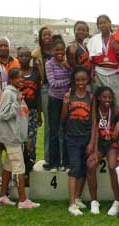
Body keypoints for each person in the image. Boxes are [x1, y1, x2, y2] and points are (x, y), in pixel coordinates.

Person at [0, 68, 40, 209]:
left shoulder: (16, 93)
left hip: (17, 137)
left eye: (23, 78)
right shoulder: (9, 94)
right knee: (19, 168)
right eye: (18, 78)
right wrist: (16, 103)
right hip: (11, 138)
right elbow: (3, 114)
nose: (22, 80)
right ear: (11, 79)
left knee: (8, 166)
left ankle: (3, 196)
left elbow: (22, 117)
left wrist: (26, 138)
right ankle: (23, 200)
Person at [86, 87, 119, 215]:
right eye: (105, 97)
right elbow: (94, 130)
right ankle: (94, 201)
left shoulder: (115, 110)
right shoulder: (95, 111)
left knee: (112, 166)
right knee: (90, 165)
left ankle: (117, 201)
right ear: (99, 98)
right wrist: (94, 150)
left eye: (110, 98)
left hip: (112, 143)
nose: (107, 100)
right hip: (100, 144)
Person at [60, 67, 97, 216]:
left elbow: (94, 121)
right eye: (78, 80)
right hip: (72, 137)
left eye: (83, 80)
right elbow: (63, 119)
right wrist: (65, 103)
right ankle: (71, 204)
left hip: (86, 137)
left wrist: (91, 142)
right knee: (75, 169)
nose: (81, 83)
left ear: (88, 80)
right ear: (74, 81)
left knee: (82, 168)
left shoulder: (91, 97)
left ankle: (77, 197)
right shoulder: (69, 95)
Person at [0, 37, 20, 187]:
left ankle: (14, 176)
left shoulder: (16, 62)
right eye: (0, 45)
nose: (3, 48)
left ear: (9, 47)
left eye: (5, 45)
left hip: (13, 106)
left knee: (12, 142)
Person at [44, 38, 72, 172]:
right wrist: (68, 80)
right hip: (54, 100)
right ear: (52, 51)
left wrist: (68, 69)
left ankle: (66, 162)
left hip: (67, 100)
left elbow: (76, 78)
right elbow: (53, 83)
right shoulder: (49, 64)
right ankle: (54, 163)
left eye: (62, 50)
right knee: (54, 131)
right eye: (56, 50)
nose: (59, 53)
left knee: (66, 130)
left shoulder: (68, 64)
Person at [87, 14, 119, 109]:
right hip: (98, 73)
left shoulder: (117, 38)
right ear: (98, 26)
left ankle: (118, 123)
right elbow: (91, 59)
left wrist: (118, 49)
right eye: (100, 23)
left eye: (104, 22)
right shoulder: (94, 40)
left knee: (118, 101)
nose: (102, 25)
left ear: (110, 23)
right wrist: (92, 70)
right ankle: (99, 122)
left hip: (114, 74)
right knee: (98, 100)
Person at [32, 26, 53, 162]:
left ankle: (62, 156)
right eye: (44, 35)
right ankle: (48, 157)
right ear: (40, 37)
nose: (47, 37)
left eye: (49, 34)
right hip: (46, 89)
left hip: (61, 89)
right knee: (49, 126)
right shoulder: (36, 54)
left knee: (62, 125)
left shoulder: (59, 50)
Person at [19, 47, 42, 161]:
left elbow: (38, 95)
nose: (24, 58)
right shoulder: (15, 73)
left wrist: (39, 113)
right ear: (17, 58)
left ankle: (30, 166)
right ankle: (18, 171)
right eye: (21, 56)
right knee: (19, 141)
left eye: (27, 56)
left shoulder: (36, 72)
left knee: (31, 141)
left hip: (32, 112)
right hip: (18, 113)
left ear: (30, 58)